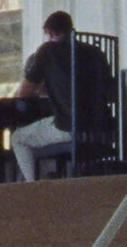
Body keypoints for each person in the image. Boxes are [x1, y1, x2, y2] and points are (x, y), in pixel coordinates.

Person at [10, 10, 112, 182]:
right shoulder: (95, 51)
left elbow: (24, 93)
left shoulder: (48, 51)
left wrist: (43, 90)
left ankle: (34, 188)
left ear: (49, 32)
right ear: (71, 29)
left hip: (69, 127)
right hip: (102, 128)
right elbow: (109, 90)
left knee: (19, 138)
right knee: (42, 135)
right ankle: (58, 178)